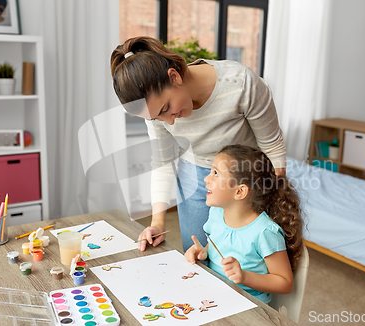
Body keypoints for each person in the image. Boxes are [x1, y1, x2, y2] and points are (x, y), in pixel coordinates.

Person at [110, 36, 286, 252]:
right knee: (197, 255)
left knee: (245, 257)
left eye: (165, 109)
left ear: (174, 76)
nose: (170, 122)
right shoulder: (159, 114)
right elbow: (163, 162)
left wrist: (276, 202)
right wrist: (157, 223)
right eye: (157, 118)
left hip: (245, 177)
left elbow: (273, 147)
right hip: (195, 175)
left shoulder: (241, 84)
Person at [184, 145, 303, 304]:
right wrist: (204, 253)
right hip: (213, 297)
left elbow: (285, 283)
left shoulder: (265, 232)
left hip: (248, 306)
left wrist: (243, 276)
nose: (206, 179)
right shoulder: (216, 213)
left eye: (215, 173)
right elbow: (217, 246)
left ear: (239, 192)